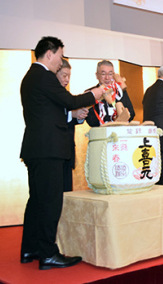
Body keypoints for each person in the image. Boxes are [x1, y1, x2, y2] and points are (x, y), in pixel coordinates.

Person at [20, 36, 103, 270]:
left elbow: (50, 110)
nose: (61, 61)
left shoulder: (31, 77)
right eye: (60, 56)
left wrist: (72, 115)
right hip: (48, 149)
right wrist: (94, 94)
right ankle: (48, 254)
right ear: (50, 53)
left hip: (36, 148)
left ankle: (30, 248)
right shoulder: (44, 76)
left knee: (37, 200)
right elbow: (68, 100)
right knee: (50, 202)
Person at [55, 59, 89, 191]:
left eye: (69, 76)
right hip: (54, 152)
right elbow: (56, 118)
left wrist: (79, 116)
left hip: (67, 151)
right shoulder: (52, 94)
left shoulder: (65, 94)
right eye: (64, 75)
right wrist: (72, 114)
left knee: (67, 192)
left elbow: (70, 119)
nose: (67, 79)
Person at [86, 60, 135, 126]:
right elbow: (90, 119)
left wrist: (121, 118)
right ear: (97, 75)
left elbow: (132, 112)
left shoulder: (120, 90)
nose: (107, 78)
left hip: (121, 131)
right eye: (103, 74)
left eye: (110, 74)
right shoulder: (91, 93)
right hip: (101, 132)